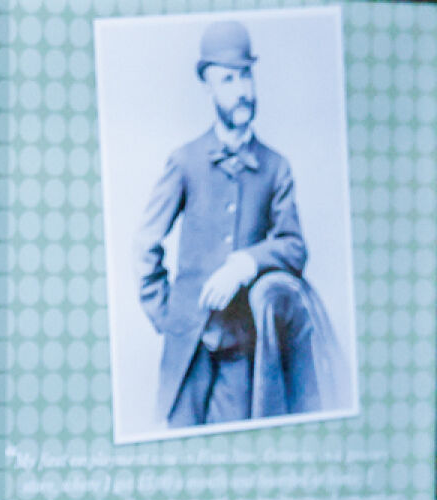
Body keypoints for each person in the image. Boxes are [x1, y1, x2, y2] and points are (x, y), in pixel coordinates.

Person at [134, 19, 344, 427]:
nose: (242, 90)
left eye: (246, 75)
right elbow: (145, 244)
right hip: (187, 352)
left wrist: (246, 263)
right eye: (228, 80)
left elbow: (294, 246)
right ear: (208, 87)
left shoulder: (275, 167)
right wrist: (167, 318)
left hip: (242, 351)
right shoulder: (185, 161)